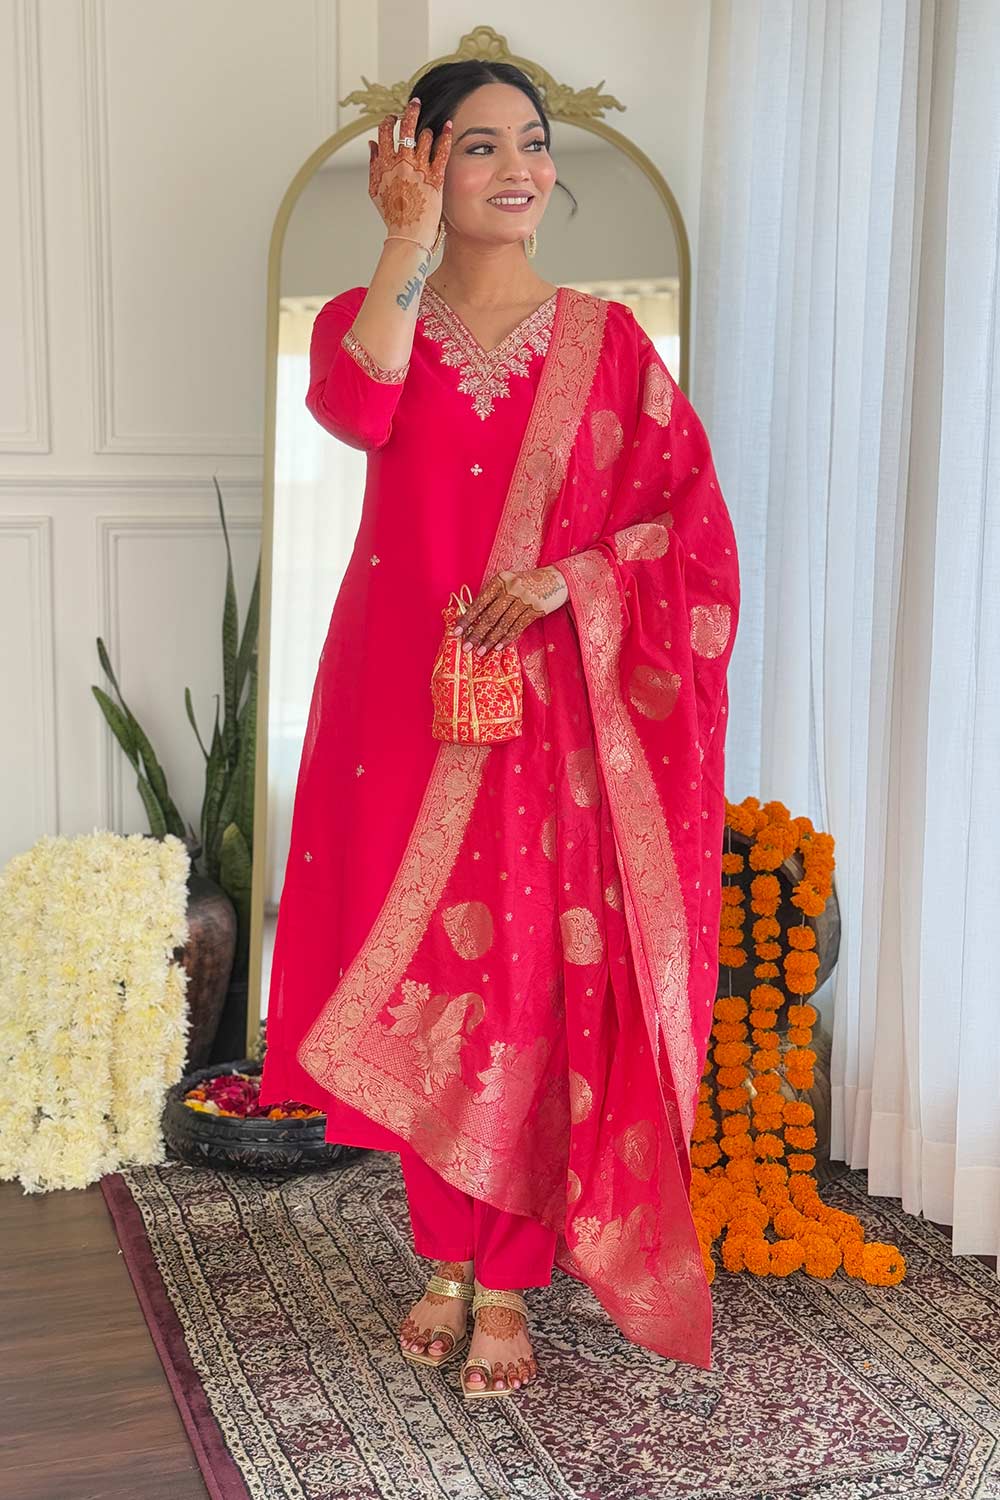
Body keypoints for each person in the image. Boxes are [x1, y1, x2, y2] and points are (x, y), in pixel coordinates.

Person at [258, 58, 740, 1399]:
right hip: (398, 701)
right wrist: (403, 245)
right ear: (420, 162)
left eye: (532, 142)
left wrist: (572, 579)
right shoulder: (370, 318)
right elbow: (357, 408)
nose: (519, 168)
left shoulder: (607, 342)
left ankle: (511, 1278)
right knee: (422, 972)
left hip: (552, 715)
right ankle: (442, 1254)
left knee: (531, 975)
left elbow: (690, 531)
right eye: (480, 147)